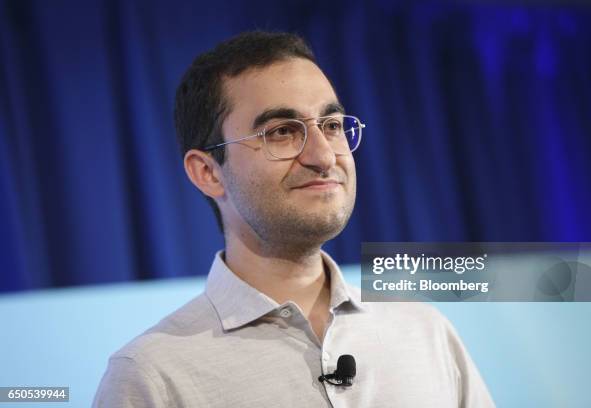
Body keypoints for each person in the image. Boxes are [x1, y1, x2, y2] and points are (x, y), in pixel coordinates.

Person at [93, 31, 495, 407]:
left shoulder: (425, 332)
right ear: (208, 172)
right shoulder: (152, 376)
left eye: (332, 126)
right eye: (282, 132)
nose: (323, 157)